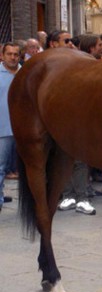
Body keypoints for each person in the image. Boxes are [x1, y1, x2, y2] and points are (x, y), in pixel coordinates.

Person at [47, 31, 96, 215]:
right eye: (66, 41)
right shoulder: (47, 66)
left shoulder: (78, 61)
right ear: (53, 44)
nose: (70, 44)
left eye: (71, 41)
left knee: (81, 160)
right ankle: (67, 195)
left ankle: (82, 197)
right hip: (57, 120)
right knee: (61, 159)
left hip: (79, 120)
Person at [0, 42, 21, 212]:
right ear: (2, 55)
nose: (13, 57)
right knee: (0, 167)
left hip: (25, 131)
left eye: (16, 54)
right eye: (9, 54)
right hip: (3, 129)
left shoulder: (26, 73)